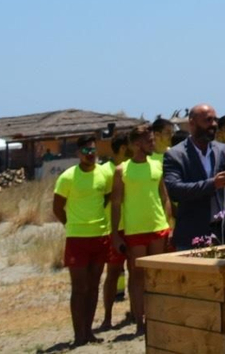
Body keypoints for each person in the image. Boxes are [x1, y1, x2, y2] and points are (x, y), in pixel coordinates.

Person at [109, 125, 171, 337]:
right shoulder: (122, 170)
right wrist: (115, 233)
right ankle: (139, 322)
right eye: (149, 141)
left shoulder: (157, 166)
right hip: (135, 230)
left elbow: (164, 197)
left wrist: (168, 222)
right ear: (137, 144)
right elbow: (116, 203)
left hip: (158, 227)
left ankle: (158, 317)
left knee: (157, 274)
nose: (153, 144)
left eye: (153, 140)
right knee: (137, 276)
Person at [52, 134, 112, 348]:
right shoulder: (68, 177)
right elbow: (57, 207)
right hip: (77, 238)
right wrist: (71, 223)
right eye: (86, 151)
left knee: (94, 285)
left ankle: (89, 332)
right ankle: (78, 335)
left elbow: (107, 196)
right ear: (78, 154)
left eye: (93, 150)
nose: (91, 154)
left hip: (100, 235)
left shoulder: (104, 174)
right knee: (79, 288)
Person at [162, 103, 225, 249]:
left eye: (215, 120)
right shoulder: (175, 155)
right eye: (208, 120)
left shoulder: (223, 150)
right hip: (192, 234)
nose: (213, 124)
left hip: (223, 233)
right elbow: (175, 191)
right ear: (192, 123)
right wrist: (212, 184)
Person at [99, 130, 132, 328]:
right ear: (122, 148)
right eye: (131, 144)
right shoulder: (104, 171)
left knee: (137, 274)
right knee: (112, 274)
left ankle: (136, 313)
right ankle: (107, 318)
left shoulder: (133, 167)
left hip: (135, 226)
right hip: (115, 229)